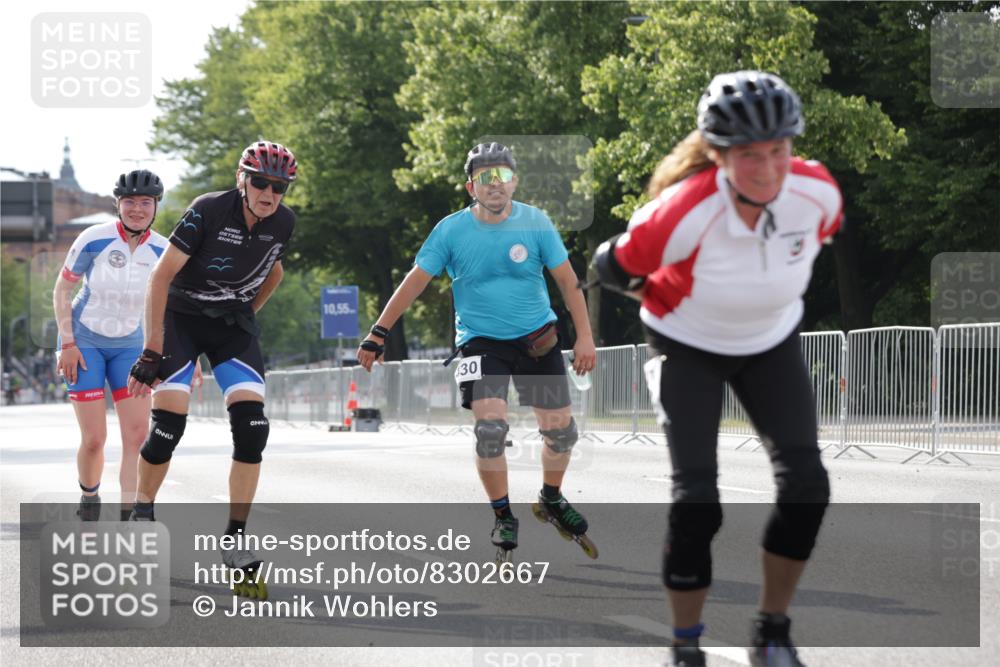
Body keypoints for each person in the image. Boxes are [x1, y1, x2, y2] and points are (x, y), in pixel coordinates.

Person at [593, 71, 841, 667]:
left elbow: (814, 240)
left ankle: (772, 631)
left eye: (778, 151)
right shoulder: (681, 212)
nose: (767, 169)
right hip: (686, 344)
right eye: (749, 155)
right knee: (698, 501)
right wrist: (669, 301)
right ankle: (685, 647)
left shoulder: (819, 195)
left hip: (770, 342)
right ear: (718, 156)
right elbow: (610, 267)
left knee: (808, 487)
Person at [357, 142, 598, 559]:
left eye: (503, 175)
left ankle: (552, 499)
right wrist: (378, 332)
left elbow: (567, 280)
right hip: (480, 342)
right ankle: (503, 514)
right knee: (490, 431)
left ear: (514, 181)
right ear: (472, 186)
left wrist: (585, 337)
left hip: (537, 338)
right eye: (486, 178)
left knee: (562, 433)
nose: (495, 185)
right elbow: (415, 281)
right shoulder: (451, 230)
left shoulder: (536, 222)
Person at [126, 141, 297, 599]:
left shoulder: (284, 222)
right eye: (260, 182)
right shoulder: (208, 210)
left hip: (229, 325)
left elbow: (274, 272)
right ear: (243, 180)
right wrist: (150, 351)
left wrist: (249, 311)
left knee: (254, 427)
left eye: (279, 186)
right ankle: (143, 510)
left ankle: (235, 541)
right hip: (180, 321)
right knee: (167, 429)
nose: (269, 193)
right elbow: (160, 277)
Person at [52, 170, 170, 521]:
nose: (137, 209)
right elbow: (62, 289)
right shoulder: (94, 238)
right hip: (84, 339)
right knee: (94, 439)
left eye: (145, 202)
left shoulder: (164, 249)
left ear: (155, 207)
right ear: (118, 205)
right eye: (130, 202)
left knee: (136, 436)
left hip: (131, 345)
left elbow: (171, 306)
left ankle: (129, 519)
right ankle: (89, 497)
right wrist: (68, 342)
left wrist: (174, 355)